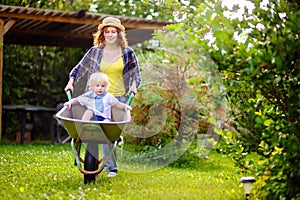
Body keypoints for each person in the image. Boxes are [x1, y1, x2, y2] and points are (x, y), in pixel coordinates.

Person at [64, 16, 141, 178]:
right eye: (107, 32)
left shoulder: (127, 53)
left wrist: (134, 86)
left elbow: (136, 74)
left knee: (108, 133)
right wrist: (70, 82)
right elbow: (79, 68)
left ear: (119, 34)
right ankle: (97, 161)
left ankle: (111, 168)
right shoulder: (95, 51)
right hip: (95, 97)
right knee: (93, 131)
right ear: (103, 34)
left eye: (113, 32)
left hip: (117, 97)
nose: (110, 35)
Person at [64, 72, 132, 121]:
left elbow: (117, 104)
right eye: (97, 86)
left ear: (106, 86)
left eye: (103, 86)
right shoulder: (89, 96)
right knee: (89, 111)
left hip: (104, 119)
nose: (100, 88)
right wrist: (70, 102)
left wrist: (125, 107)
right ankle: (83, 125)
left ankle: (105, 133)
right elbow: (77, 100)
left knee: (107, 122)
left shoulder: (108, 96)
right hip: (92, 119)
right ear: (92, 86)